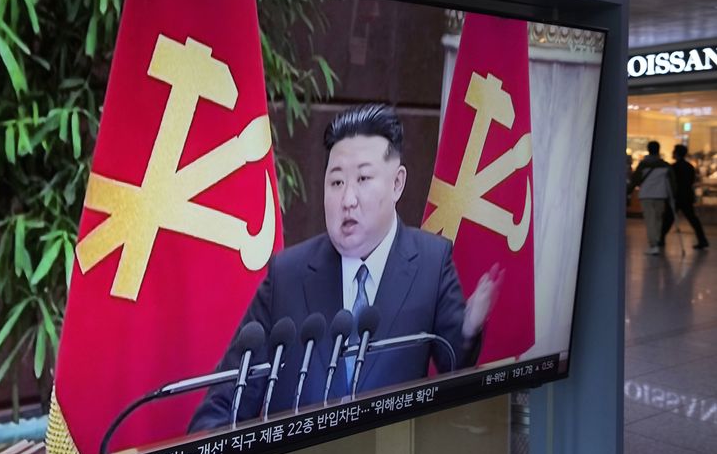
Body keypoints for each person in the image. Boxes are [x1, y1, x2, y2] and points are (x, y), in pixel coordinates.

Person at [189, 105, 498, 432]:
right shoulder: (288, 275)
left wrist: (468, 329)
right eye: (336, 182)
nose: (348, 199)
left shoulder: (430, 263)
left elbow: (455, 367)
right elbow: (225, 402)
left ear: (397, 184)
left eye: (363, 179)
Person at [627, 141, 675, 256]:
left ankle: (654, 244)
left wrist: (628, 191)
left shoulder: (643, 165)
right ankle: (657, 241)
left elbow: (635, 180)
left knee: (650, 220)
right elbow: (672, 182)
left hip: (646, 195)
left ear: (648, 149)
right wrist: (673, 195)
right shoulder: (665, 165)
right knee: (658, 220)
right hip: (661, 195)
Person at [661, 144, 709, 250]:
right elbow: (692, 180)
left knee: (668, 218)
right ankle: (702, 239)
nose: (672, 153)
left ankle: (660, 239)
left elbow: (671, 182)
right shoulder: (689, 166)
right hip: (687, 196)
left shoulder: (673, 167)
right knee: (692, 218)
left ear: (677, 153)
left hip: (676, 196)